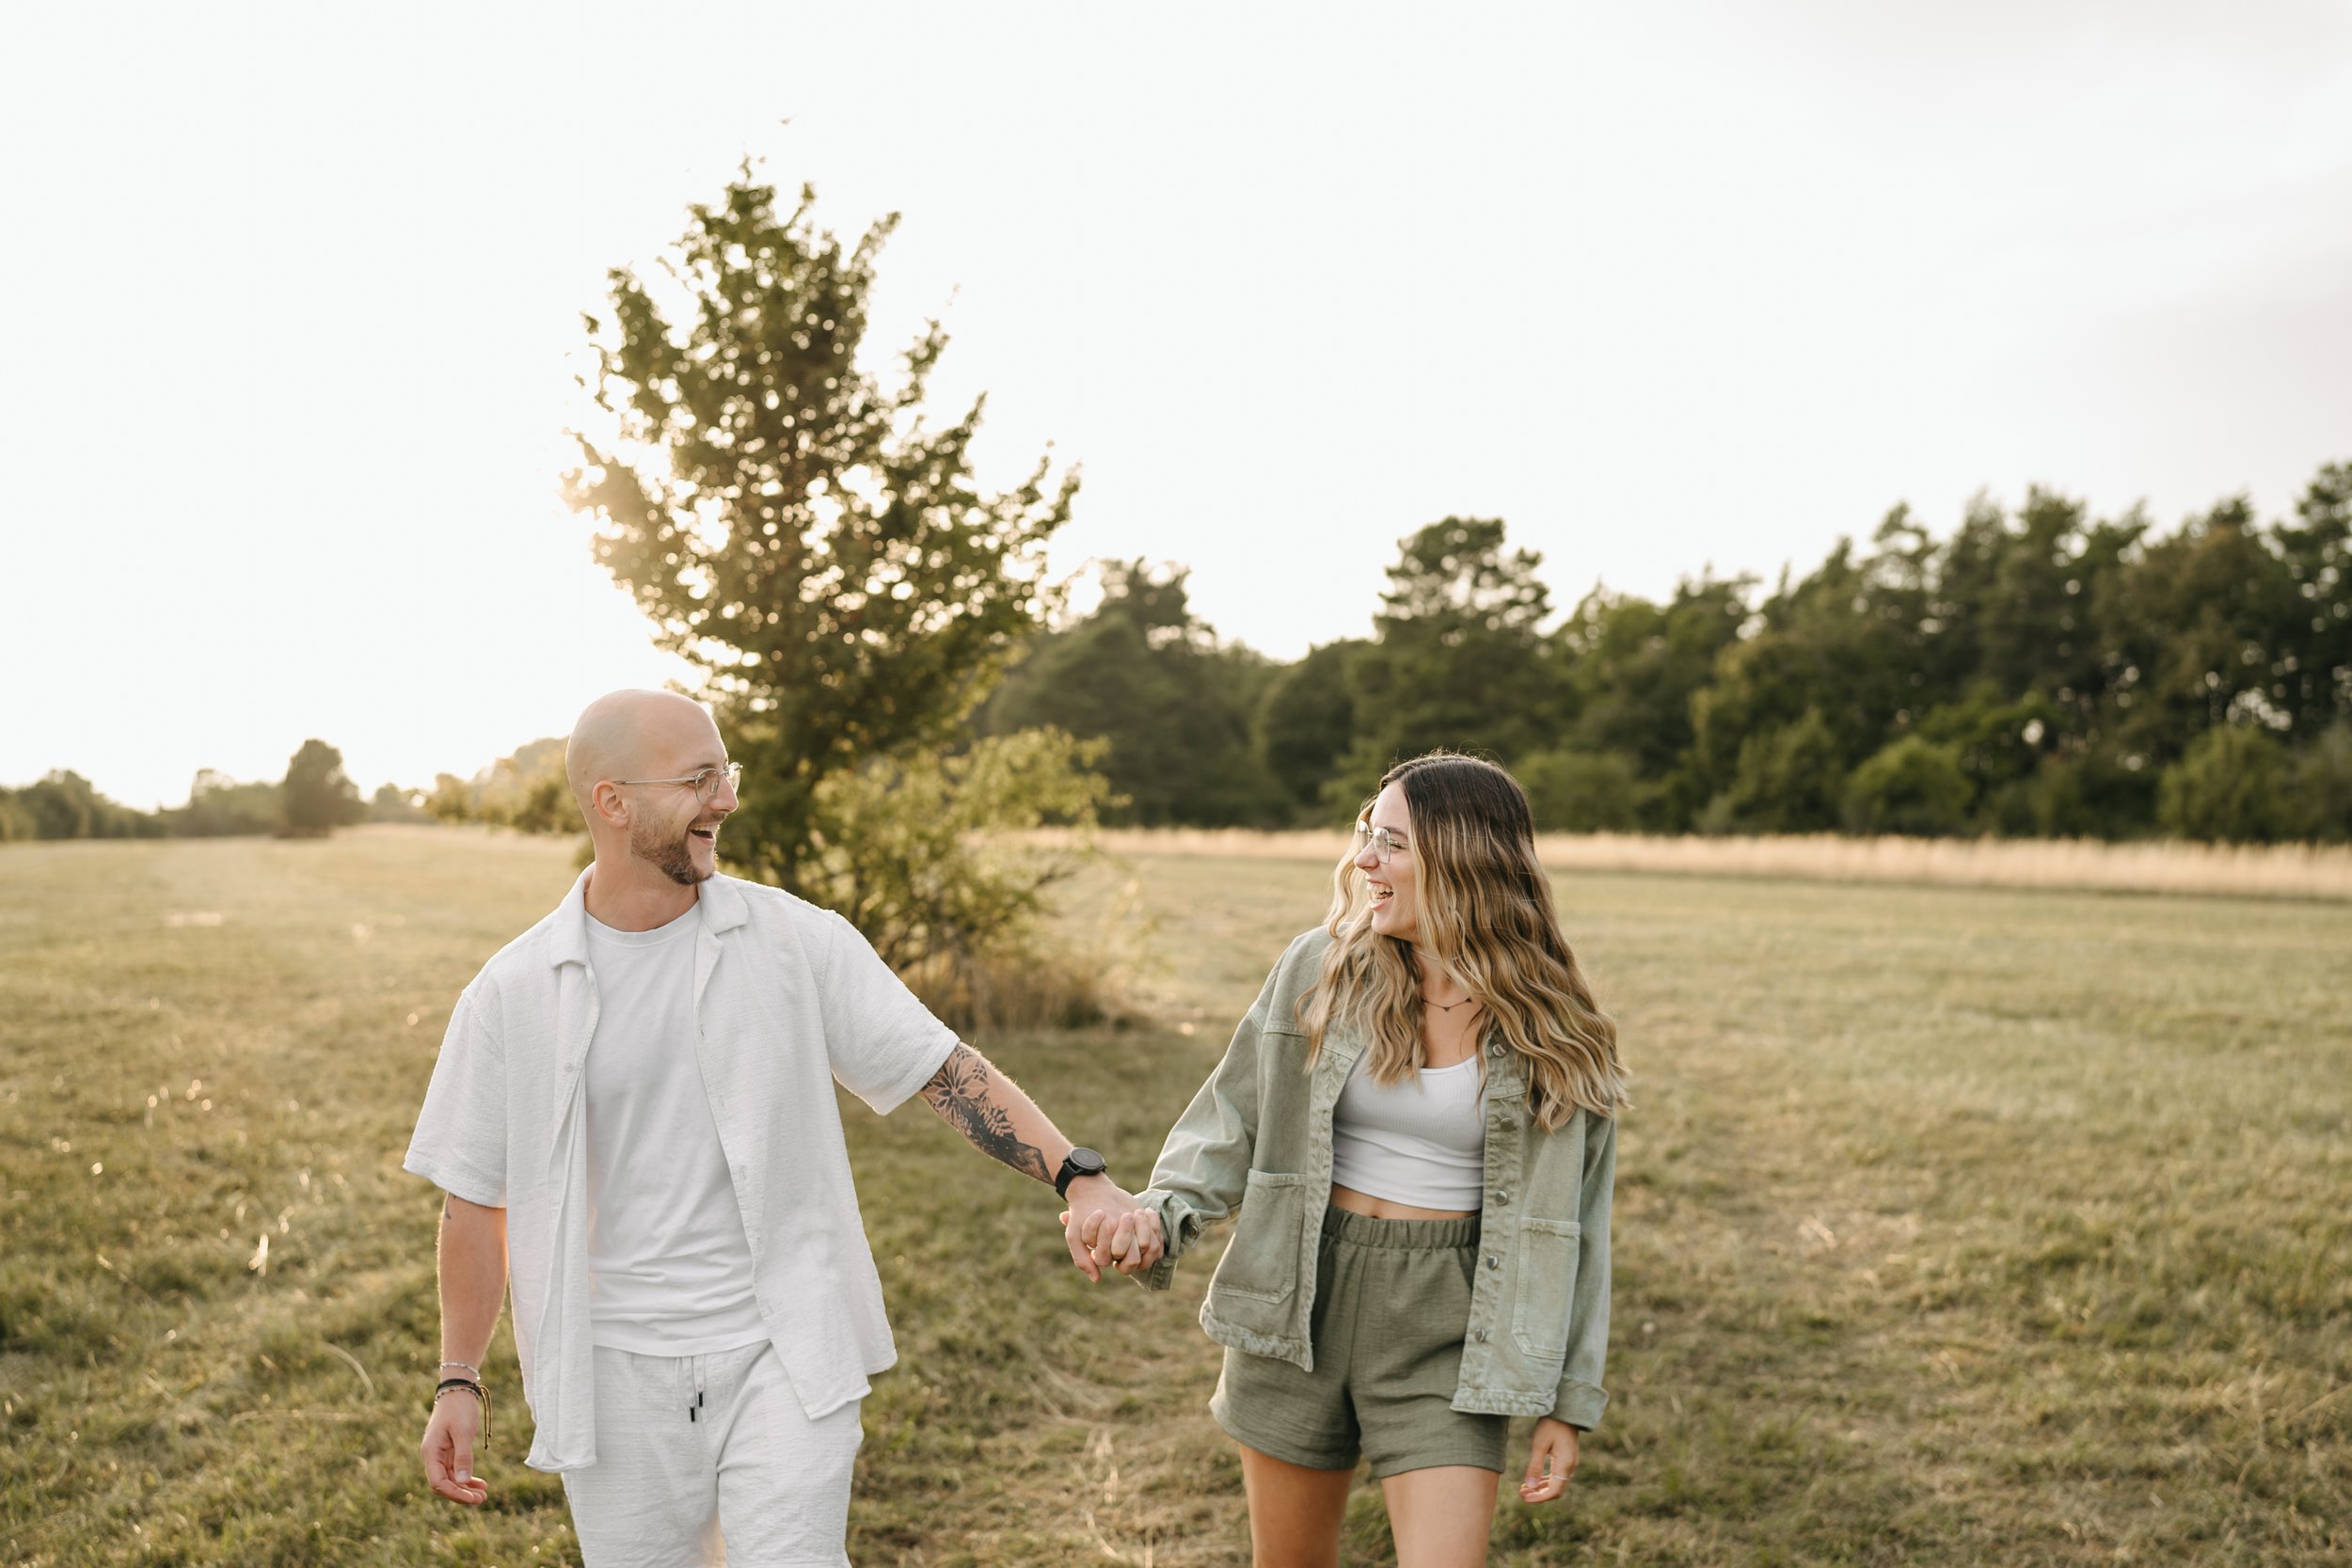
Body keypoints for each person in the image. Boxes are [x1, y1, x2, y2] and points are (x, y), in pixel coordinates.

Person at [406, 689, 1152, 1568]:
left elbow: (941, 1069)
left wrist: (1079, 1175)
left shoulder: (797, 941)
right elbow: (473, 1200)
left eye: (729, 773)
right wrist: (460, 1375)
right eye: (700, 778)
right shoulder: (511, 991)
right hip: (611, 1380)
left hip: (786, 1350)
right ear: (612, 801)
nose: (726, 798)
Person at [1082, 752, 1626, 1568]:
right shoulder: (1319, 967)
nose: (1364, 859)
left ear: (1464, 858)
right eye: (1367, 835)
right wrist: (1161, 1214)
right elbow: (1229, 1118)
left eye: (1393, 843)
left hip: (1450, 1320)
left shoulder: (1554, 1022)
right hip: (1299, 1297)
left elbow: (1578, 1226)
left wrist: (1568, 1401)